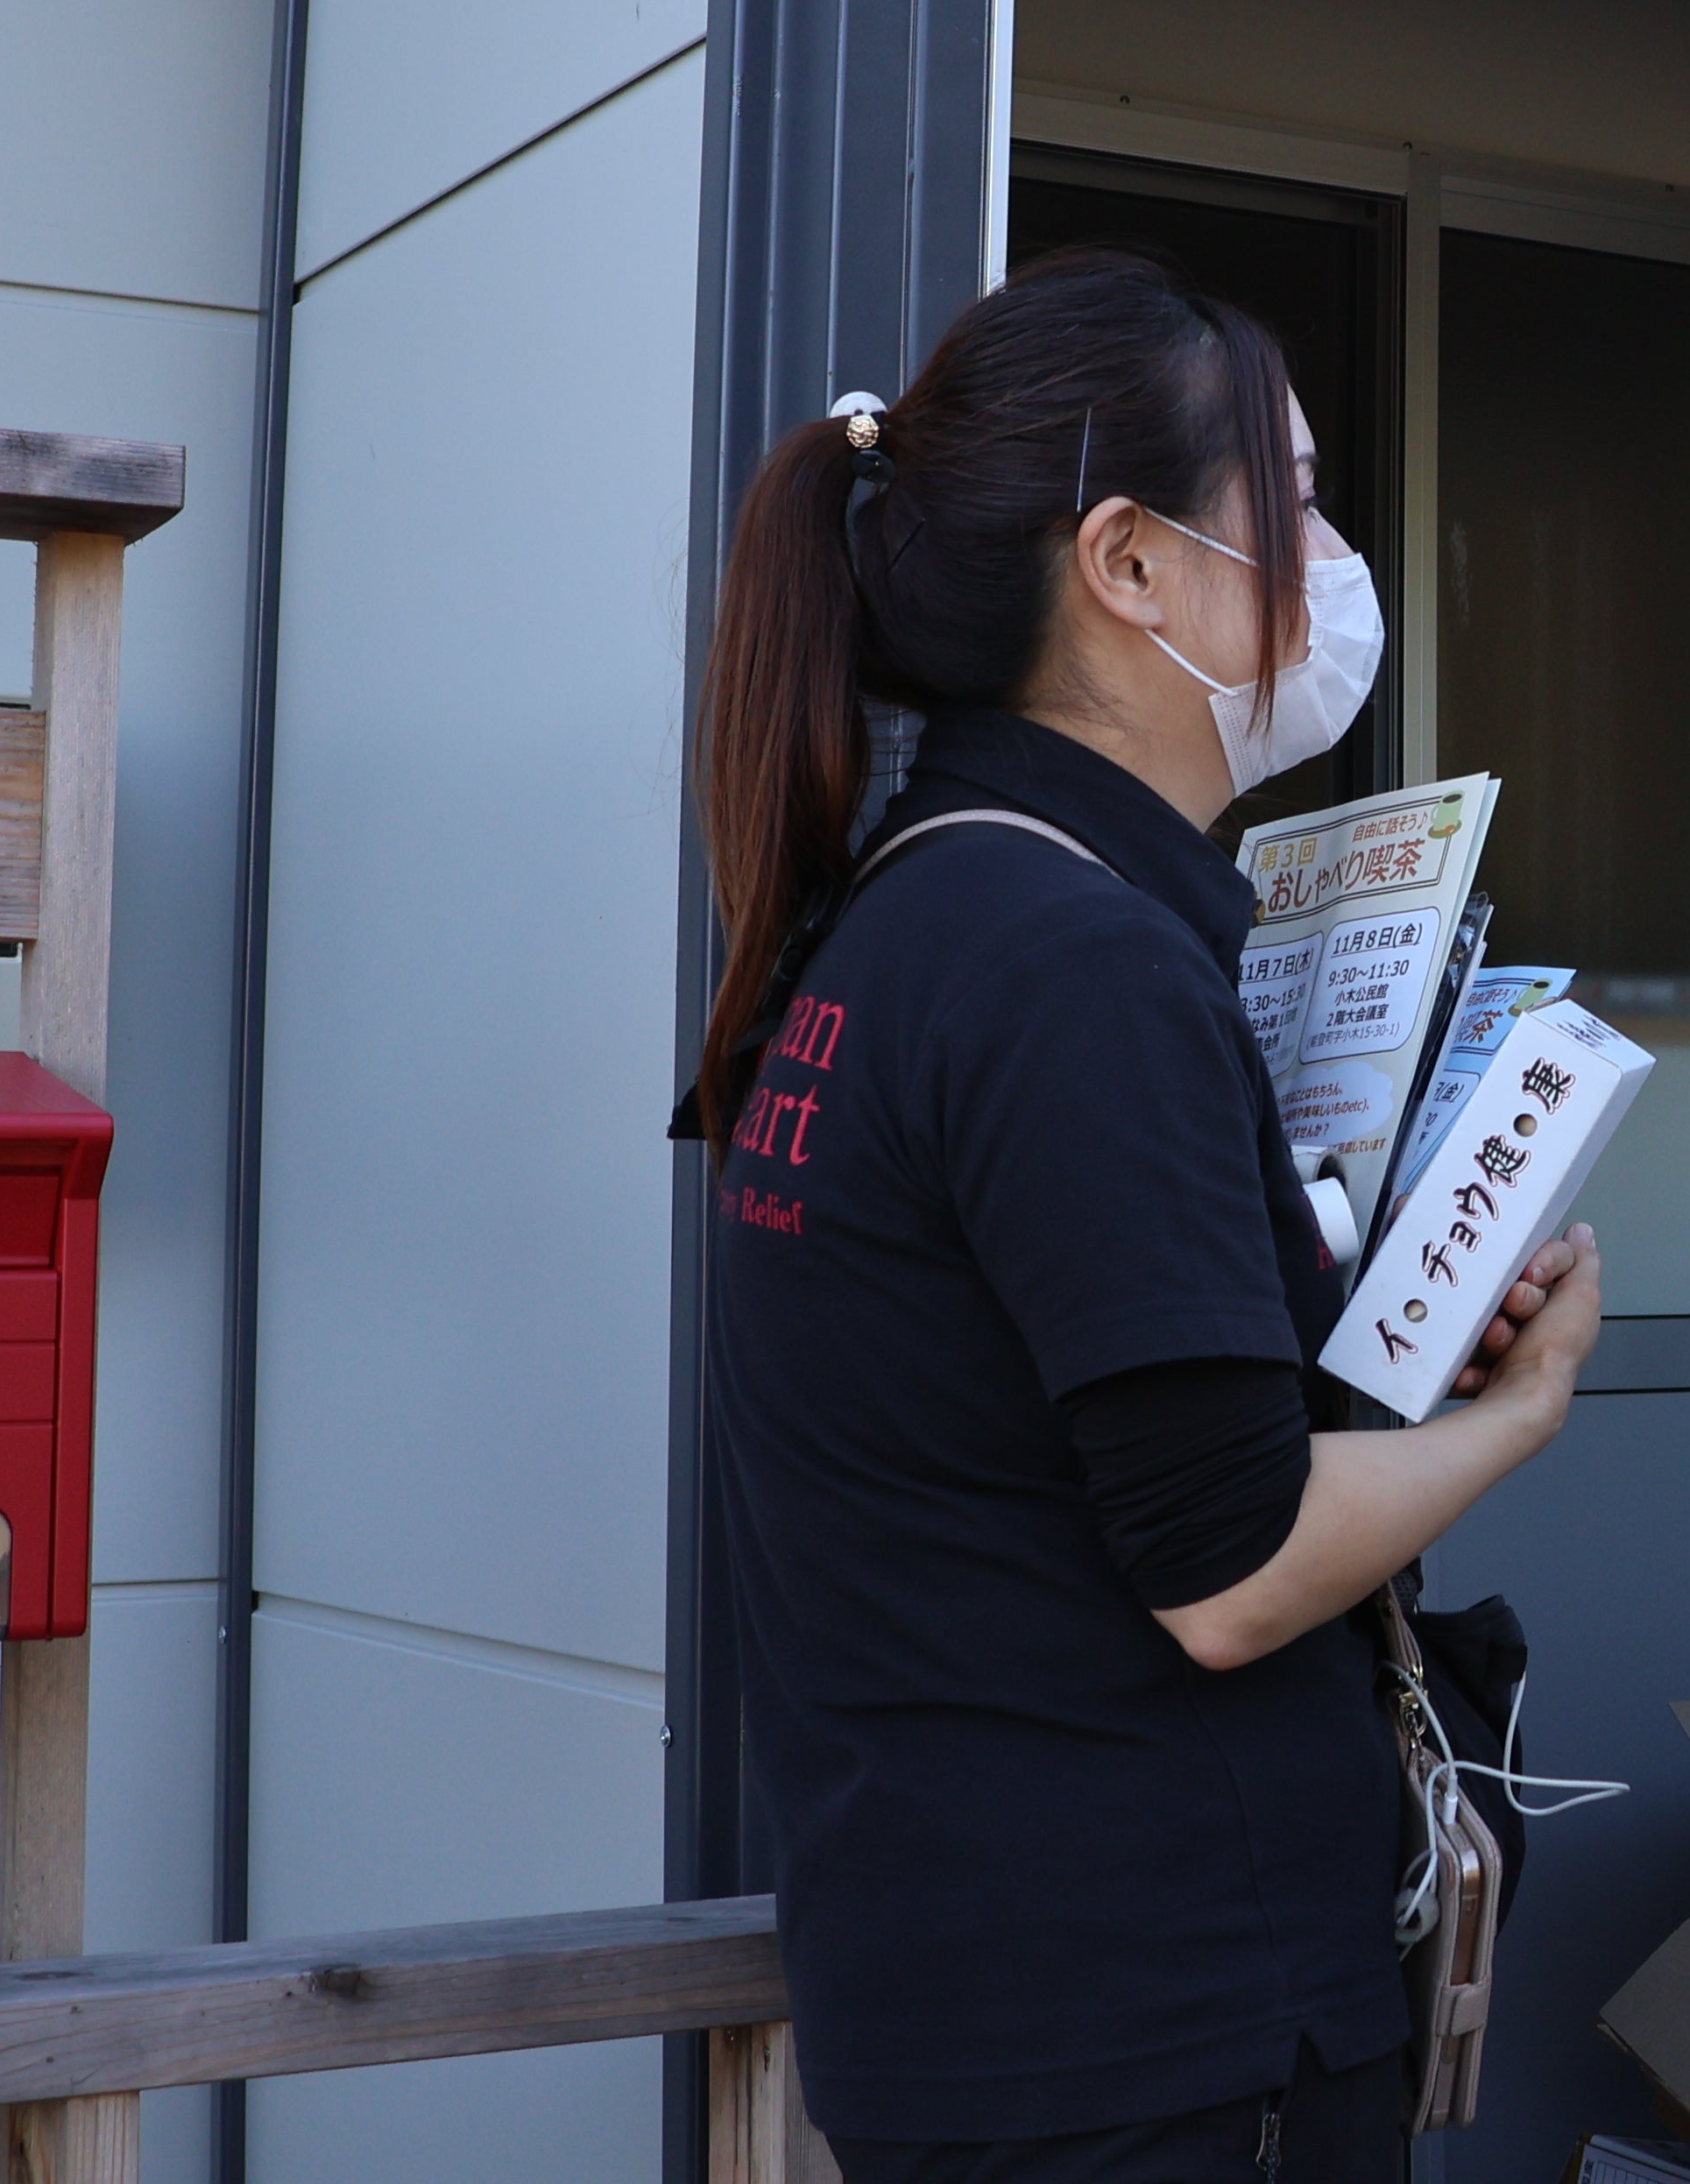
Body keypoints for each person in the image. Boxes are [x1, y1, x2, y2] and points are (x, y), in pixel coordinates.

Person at [690, 248, 1599, 2183]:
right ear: (1125, 563)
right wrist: (1509, 1419)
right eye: (1292, 496)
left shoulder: (921, 908)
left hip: (986, 2014)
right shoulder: (1069, 961)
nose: (1329, 555)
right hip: (1162, 2047)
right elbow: (1230, 1566)